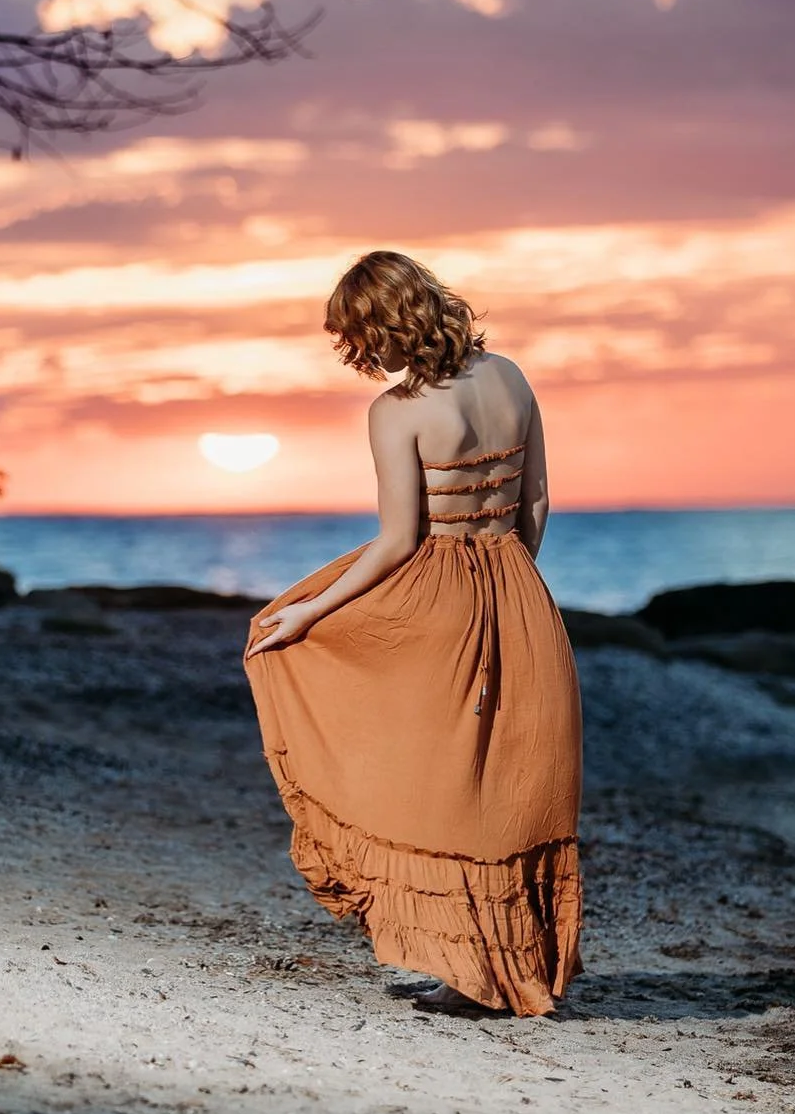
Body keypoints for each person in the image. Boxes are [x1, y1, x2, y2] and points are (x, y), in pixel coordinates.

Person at [243, 251, 582, 1017]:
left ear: (390, 324)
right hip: (520, 587)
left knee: (431, 779)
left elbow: (398, 541)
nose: (361, 357)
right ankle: (497, 969)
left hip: (439, 597)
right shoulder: (510, 377)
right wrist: (509, 589)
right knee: (500, 782)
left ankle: (469, 971)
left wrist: (312, 610)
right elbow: (537, 506)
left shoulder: (396, 412)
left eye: (362, 338)